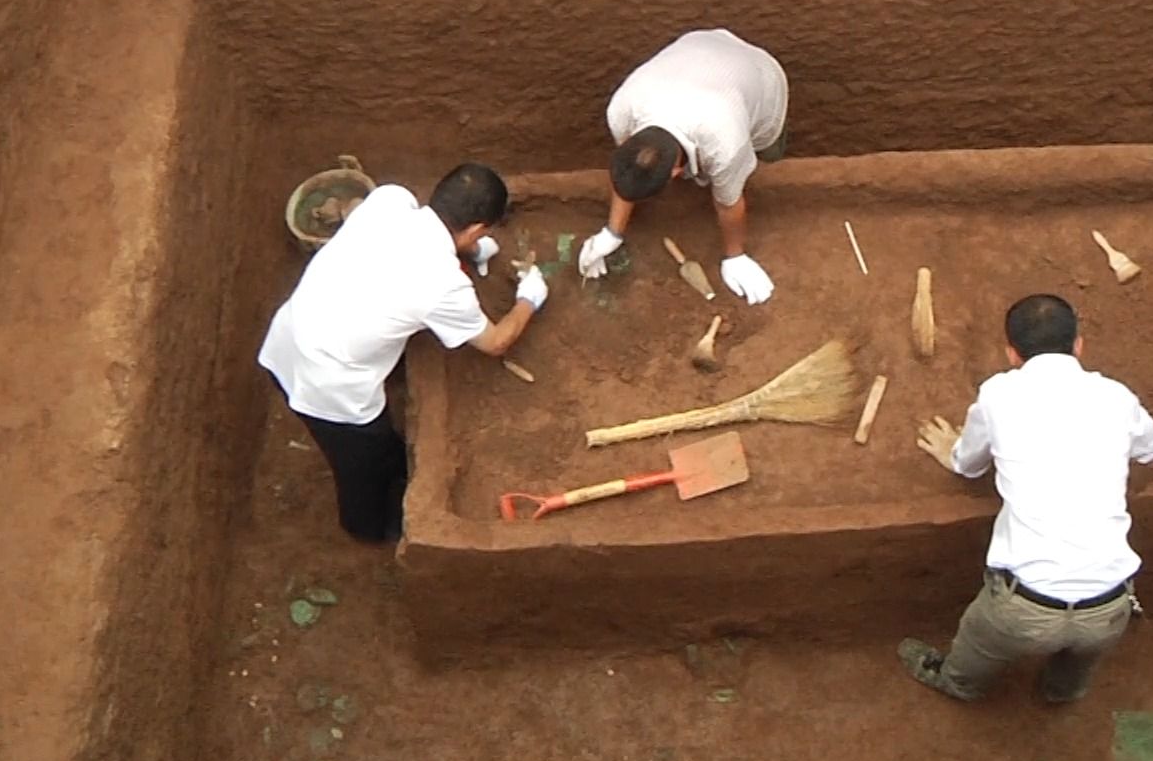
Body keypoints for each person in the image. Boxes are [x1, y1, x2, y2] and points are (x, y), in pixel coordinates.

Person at [258, 163, 548, 544]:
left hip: (287, 338)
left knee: (384, 449)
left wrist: (475, 251)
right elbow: (496, 342)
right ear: (477, 229)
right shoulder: (444, 285)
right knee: (361, 468)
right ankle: (369, 529)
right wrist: (529, 299)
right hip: (332, 390)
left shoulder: (389, 199)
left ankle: (391, 467)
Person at [900, 293, 1153, 703]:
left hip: (1022, 609)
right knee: (1080, 662)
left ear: (1011, 353)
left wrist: (953, 450)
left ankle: (957, 683)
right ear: (1078, 345)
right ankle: (1061, 692)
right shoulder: (1117, 397)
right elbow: (1149, 449)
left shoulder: (997, 395)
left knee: (974, 652)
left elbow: (969, 465)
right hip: (1107, 607)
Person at [576, 28, 789, 305]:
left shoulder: (724, 143)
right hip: (697, 45)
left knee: (768, 152)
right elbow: (629, 167)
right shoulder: (621, 110)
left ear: (676, 174)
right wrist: (611, 232)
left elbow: (729, 205)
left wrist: (735, 256)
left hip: (760, 77)